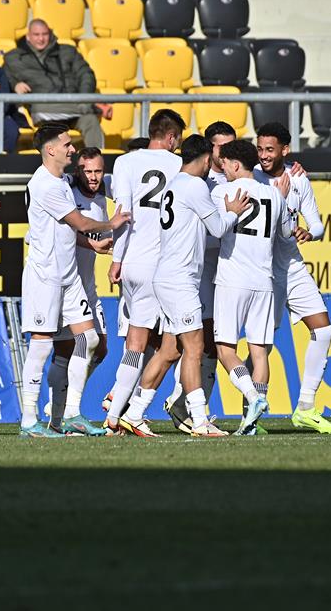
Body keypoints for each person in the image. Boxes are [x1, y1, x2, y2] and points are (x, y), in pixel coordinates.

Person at [20, 123, 130, 437]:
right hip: (46, 277)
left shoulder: (61, 181)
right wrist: (111, 223)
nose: (72, 149)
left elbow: (67, 231)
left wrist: (91, 245)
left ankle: (71, 414)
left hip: (68, 276)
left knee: (91, 340)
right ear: (50, 149)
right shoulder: (45, 184)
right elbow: (79, 222)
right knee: (42, 345)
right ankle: (29, 420)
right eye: (67, 144)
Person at [136, 135, 248, 436]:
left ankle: (133, 413)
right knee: (195, 349)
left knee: (169, 351)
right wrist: (233, 212)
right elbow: (218, 228)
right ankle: (199, 420)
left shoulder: (174, 184)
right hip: (180, 280)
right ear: (206, 158)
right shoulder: (195, 185)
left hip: (167, 275)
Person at [102, 109, 186, 436]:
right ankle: (120, 416)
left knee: (136, 342)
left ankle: (117, 407)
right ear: (171, 137)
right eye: (177, 139)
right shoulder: (179, 165)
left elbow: (123, 214)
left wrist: (117, 259)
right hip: (160, 265)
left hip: (132, 263)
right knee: (163, 345)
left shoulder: (125, 162)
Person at [254, 123, 331, 434]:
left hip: (292, 267)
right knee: (262, 345)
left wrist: (309, 233)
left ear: (285, 150)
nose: (264, 155)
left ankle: (305, 407)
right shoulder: (251, 177)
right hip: (262, 271)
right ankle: (251, 415)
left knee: (324, 330)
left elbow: (317, 225)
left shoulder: (299, 179)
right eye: (260, 149)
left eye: (270, 149)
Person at [209, 139, 293, 435]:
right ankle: (252, 424)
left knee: (225, 350)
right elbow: (286, 234)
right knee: (259, 353)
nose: (223, 170)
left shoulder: (222, 192)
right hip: (264, 282)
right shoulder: (274, 194)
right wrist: (283, 201)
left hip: (232, 280)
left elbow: (213, 230)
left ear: (235, 164)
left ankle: (253, 397)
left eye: (224, 165)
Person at [46, 148, 113, 425]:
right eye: (88, 171)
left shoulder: (102, 199)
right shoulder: (66, 195)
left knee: (101, 348)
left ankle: (64, 404)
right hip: (66, 285)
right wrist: (91, 243)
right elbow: (59, 234)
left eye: (98, 171)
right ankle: (60, 408)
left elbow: (104, 235)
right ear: (78, 171)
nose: (93, 177)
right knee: (66, 350)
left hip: (88, 285)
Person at [2, 20, 110, 149]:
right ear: (28, 36)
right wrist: (15, 84)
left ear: (50, 33)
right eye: (36, 35)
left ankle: (95, 159)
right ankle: (93, 107)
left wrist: (84, 96)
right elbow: (3, 77)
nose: (41, 39)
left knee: (91, 120)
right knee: (42, 108)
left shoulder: (67, 51)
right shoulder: (14, 57)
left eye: (44, 34)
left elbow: (86, 74)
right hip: (45, 111)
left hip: (74, 108)